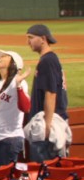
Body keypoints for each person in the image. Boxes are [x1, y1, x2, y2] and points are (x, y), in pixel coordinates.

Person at [25, 24, 70, 161]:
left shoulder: (47, 61)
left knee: (44, 171)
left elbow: (51, 94)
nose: (28, 42)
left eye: (31, 38)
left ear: (43, 38)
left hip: (47, 124)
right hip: (56, 119)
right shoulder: (51, 59)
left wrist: (47, 126)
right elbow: (63, 85)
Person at [0, 49, 30, 167]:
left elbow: (26, 107)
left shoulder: (17, 82)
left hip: (10, 138)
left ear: (13, 63)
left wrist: (18, 86)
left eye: (5, 56)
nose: (0, 57)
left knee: (7, 178)